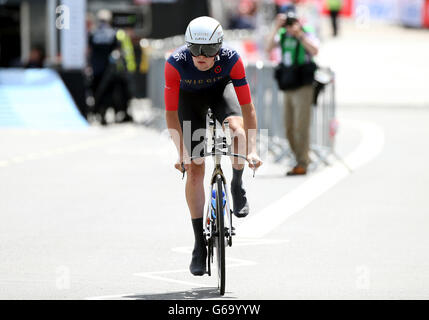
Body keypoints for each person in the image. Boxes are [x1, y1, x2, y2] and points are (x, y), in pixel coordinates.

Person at [164, 16, 262, 276]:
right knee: (195, 168)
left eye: (208, 50)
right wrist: (181, 151)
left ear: (219, 47)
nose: (201, 56)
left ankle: (237, 183)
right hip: (190, 100)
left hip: (221, 92)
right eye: (195, 49)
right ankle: (199, 244)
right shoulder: (175, 64)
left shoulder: (232, 58)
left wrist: (251, 149)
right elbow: (171, 114)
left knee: (238, 132)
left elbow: (247, 108)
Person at [266, 10, 319, 176]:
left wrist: (299, 35)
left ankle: (302, 162)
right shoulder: (282, 35)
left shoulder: (306, 33)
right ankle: (300, 159)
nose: (289, 27)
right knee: (288, 127)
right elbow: (268, 47)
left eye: (292, 23)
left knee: (300, 126)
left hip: (303, 84)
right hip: (288, 84)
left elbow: (315, 50)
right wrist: (276, 27)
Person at [88, 9, 118, 124]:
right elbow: (116, 50)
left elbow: (90, 50)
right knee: (107, 92)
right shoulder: (112, 33)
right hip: (107, 69)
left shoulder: (93, 33)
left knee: (96, 91)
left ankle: (98, 112)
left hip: (96, 68)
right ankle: (103, 112)